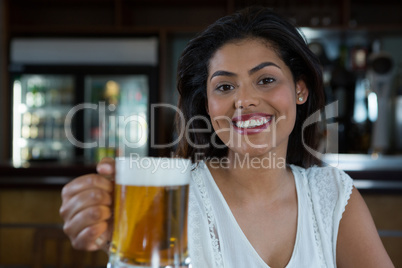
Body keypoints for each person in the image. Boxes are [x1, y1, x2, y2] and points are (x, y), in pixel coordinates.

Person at [59, 6, 394, 268]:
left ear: (300, 89)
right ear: (207, 105)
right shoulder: (167, 198)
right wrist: (119, 240)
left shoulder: (333, 196)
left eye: (265, 80)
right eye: (225, 86)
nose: (244, 100)